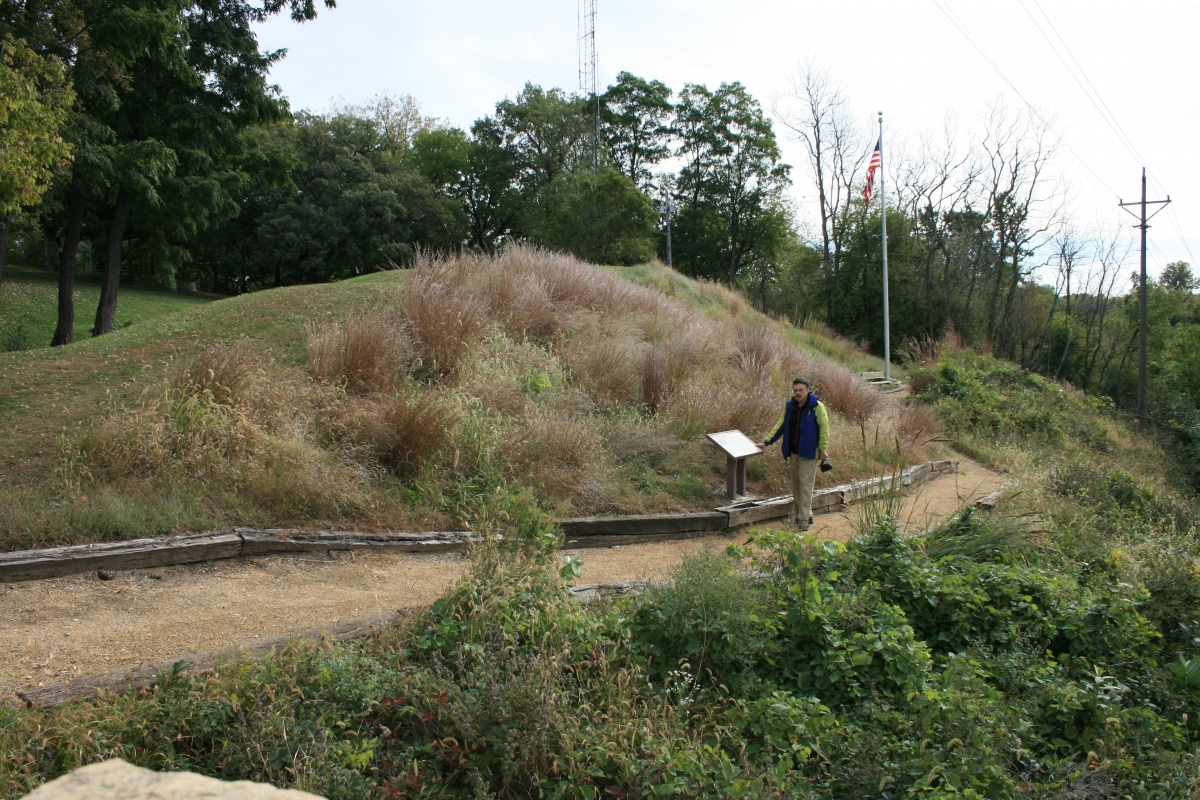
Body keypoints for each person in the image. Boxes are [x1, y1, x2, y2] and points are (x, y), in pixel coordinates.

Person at [762, 378, 829, 531]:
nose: (797, 393)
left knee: (806, 486)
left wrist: (823, 450)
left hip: (809, 453)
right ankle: (804, 515)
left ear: (808, 391)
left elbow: (824, 430)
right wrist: (767, 442)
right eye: (795, 390)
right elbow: (780, 425)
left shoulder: (817, 407)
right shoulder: (790, 407)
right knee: (796, 486)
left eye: (801, 390)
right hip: (793, 452)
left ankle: (803, 520)